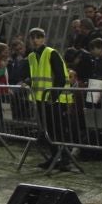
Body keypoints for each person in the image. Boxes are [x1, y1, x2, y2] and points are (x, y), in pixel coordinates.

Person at [26, 28, 73, 173]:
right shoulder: (31, 56)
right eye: (33, 37)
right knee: (48, 130)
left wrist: (53, 96)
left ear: (44, 38)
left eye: (38, 37)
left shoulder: (51, 53)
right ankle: (55, 157)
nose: (35, 40)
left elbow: (60, 77)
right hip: (41, 98)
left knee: (58, 129)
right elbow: (34, 76)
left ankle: (65, 159)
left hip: (56, 99)